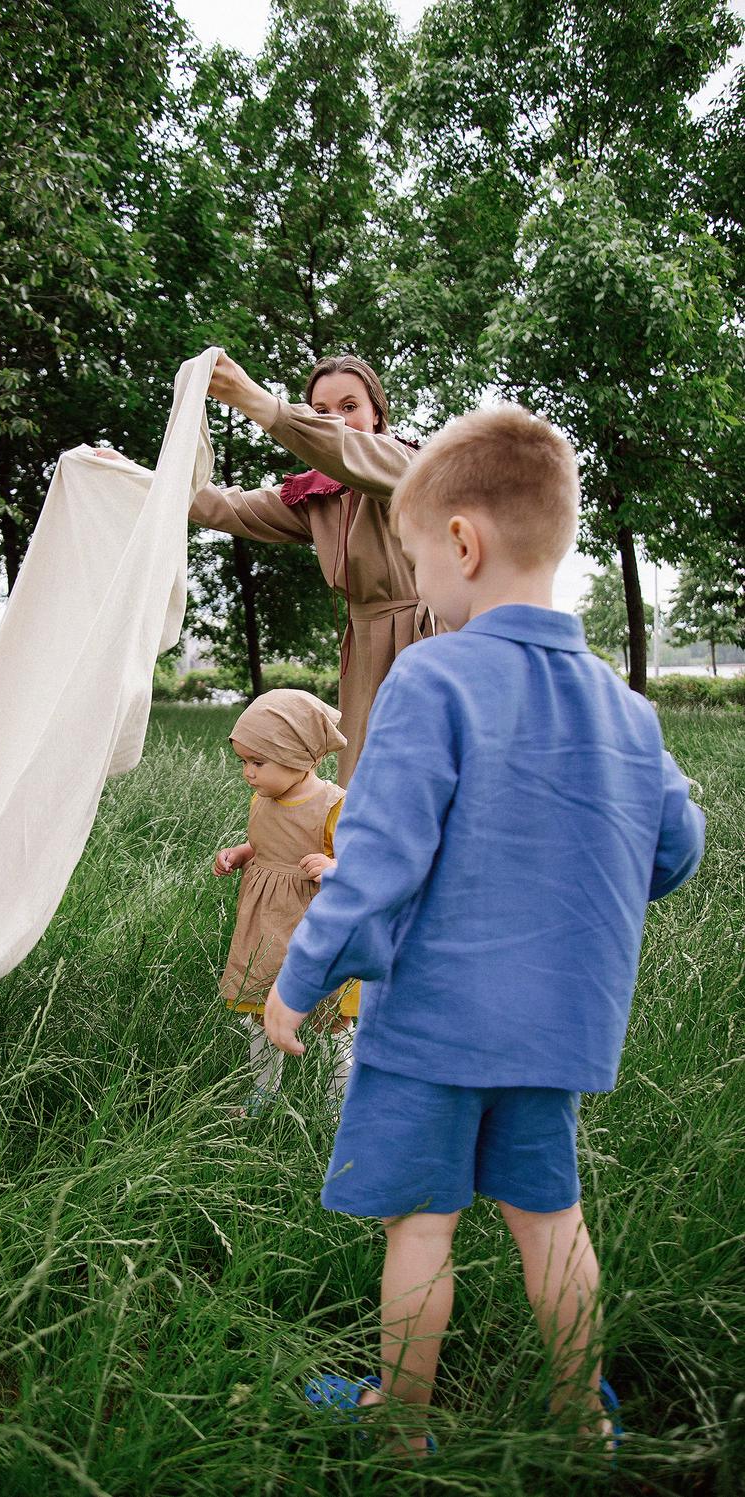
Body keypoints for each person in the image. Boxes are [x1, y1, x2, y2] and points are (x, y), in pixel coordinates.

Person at [261, 405, 706, 1454]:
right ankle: (575, 1418)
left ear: (460, 541)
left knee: (422, 1222)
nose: (418, 585)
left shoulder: (433, 676)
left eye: (416, 558)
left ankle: (401, 1423)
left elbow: (377, 859)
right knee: (550, 1222)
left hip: (433, 1027)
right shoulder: (625, 709)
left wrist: (300, 976)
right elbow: (673, 850)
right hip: (557, 1029)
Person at [193, 353, 432, 785]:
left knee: (425, 766)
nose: (336, 421)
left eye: (349, 407)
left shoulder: (408, 466)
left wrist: (255, 400)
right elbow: (226, 507)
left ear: (376, 413)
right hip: (364, 644)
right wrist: (137, 481)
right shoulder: (318, 498)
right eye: (321, 411)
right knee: (362, 773)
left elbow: (345, 450)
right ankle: (356, 853)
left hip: (429, 640)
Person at [214, 689, 358, 1115]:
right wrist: (242, 853)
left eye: (258, 763)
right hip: (266, 923)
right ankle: (262, 1093)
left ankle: (340, 1103)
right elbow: (266, 844)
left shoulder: (334, 805)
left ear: (304, 758)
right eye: (244, 762)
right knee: (260, 1006)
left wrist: (335, 866)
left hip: (316, 924)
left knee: (328, 1015)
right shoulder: (262, 799)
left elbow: (368, 864)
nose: (249, 774)